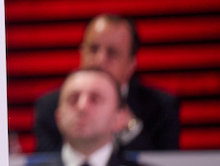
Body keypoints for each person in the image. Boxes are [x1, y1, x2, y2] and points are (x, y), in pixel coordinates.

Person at [11, 68, 171, 166]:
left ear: (119, 117)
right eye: (73, 99)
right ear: (58, 116)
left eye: (95, 99)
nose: (82, 107)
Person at [32, 14, 179, 152]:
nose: (100, 60)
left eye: (113, 53)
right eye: (93, 49)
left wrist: (130, 131)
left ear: (131, 64)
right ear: (81, 52)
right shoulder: (51, 106)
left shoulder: (161, 108)